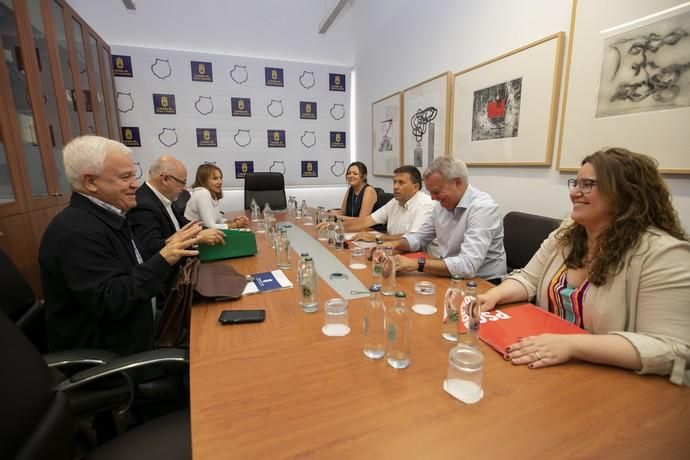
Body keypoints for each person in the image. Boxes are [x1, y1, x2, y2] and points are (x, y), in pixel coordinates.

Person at [478, 148, 690, 384]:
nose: (574, 193)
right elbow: (529, 278)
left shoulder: (663, 253)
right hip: (544, 360)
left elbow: (671, 348)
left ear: (626, 191)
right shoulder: (569, 231)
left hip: (606, 380)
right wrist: (494, 294)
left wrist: (572, 345)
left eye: (587, 184)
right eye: (575, 183)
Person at [39, 136, 201, 357]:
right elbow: (113, 300)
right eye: (125, 177)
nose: (136, 184)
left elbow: (132, 268)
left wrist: (168, 246)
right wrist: (164, 258)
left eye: (133, 175)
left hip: (142, 325)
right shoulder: (76, 232)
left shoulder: (110, 216)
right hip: (115, 355)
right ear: (90, 182)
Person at [388, 156, 507, 281]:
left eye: (436, 192)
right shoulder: (441, 205)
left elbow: (468, 265)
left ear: (457, 183)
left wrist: (418, 263)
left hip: (484, 281)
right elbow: (419, 237)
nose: (433, 198)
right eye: (430, 193)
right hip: (452, 274)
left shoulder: (483, 208)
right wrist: (392, 245)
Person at [129, 156, 225, 259]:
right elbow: (153, 248)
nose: (184, 188)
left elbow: (184, 224)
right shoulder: (143, 204)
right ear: (165, 179)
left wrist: (203, 231)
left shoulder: (165, 197)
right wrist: (198, 237)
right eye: (182, 182)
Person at [321, 165, 435, 243]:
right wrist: (337, 226)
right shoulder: (394, 202)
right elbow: (366, 221)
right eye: (394, 182)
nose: (395, 187)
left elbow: (413, 238)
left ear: (416, 187)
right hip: (395, 250)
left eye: (401, 183)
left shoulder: (426, 205)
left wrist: (378, 237)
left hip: (422, 258)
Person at [184, 163, 249, 229]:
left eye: (220, 178)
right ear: (204, 181)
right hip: (193, 236)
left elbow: (218, 220)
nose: (220, 181)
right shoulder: (202, 193)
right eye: (215, 178)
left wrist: (232, 221)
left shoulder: (212, 193)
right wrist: (236, 225)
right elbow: (210, 226)